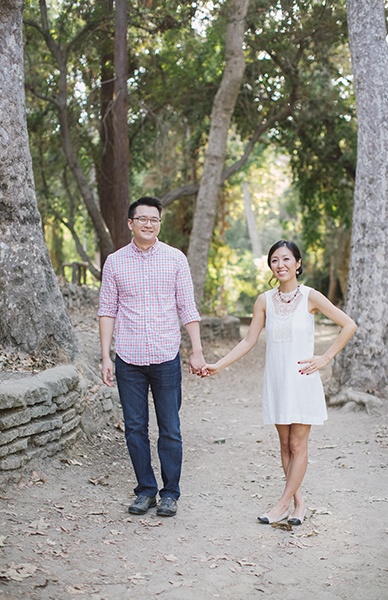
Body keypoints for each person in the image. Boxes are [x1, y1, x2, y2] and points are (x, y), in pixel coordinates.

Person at [201, 240, 356, 525]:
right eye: (274, 260)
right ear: (270, 266)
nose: (280, 265)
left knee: (298, 445)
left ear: (298, 263)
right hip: (276, 379)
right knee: (284, 444)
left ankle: (281, 504)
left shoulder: (311, 296)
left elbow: (349, 324)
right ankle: (298, 503)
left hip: (302, 379)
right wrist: (219, 365)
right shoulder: (264, 300)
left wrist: (325, 357)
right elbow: (249, 340)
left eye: (286, 259)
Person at [99, 196, 205, 518]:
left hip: (165, 358)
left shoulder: (175, 259)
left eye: (154, 219)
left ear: (160, 223)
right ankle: (145, 490)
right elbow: (107, 310)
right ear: (130, 223)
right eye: (142, 218)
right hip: (128, 359)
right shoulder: (115, 262)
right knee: (135, 428)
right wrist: (105, 356)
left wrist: (196, 350)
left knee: (170, 427)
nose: (149, 224)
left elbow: (187, 307)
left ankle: (170, 492)